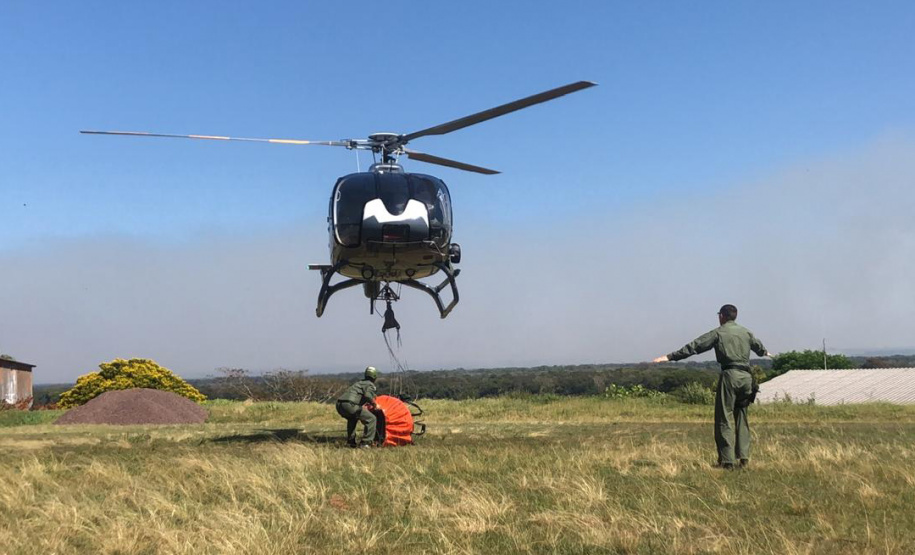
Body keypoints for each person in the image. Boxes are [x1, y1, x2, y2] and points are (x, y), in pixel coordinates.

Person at [652, 304, 773, 469]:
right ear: (735, 316)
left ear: (722, 316)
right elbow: (759, 348)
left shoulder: (719, 332)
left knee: (724, 418)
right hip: (747, 378)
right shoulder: (746, 332)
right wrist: (765, 353)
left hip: (730, 375)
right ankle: (744, 458)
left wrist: (670, 357)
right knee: (741, 417)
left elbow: (695, 346)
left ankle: (727, 460)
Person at [336, 366, 380, 448]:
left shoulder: (359, 383)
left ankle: (351, 442)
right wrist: (374, 404)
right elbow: (368, 395)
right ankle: (366, 443)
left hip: (339, 405)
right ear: (374, 377)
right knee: (372, 419)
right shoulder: (370, 385)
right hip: (350, 405)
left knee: (352, 418)